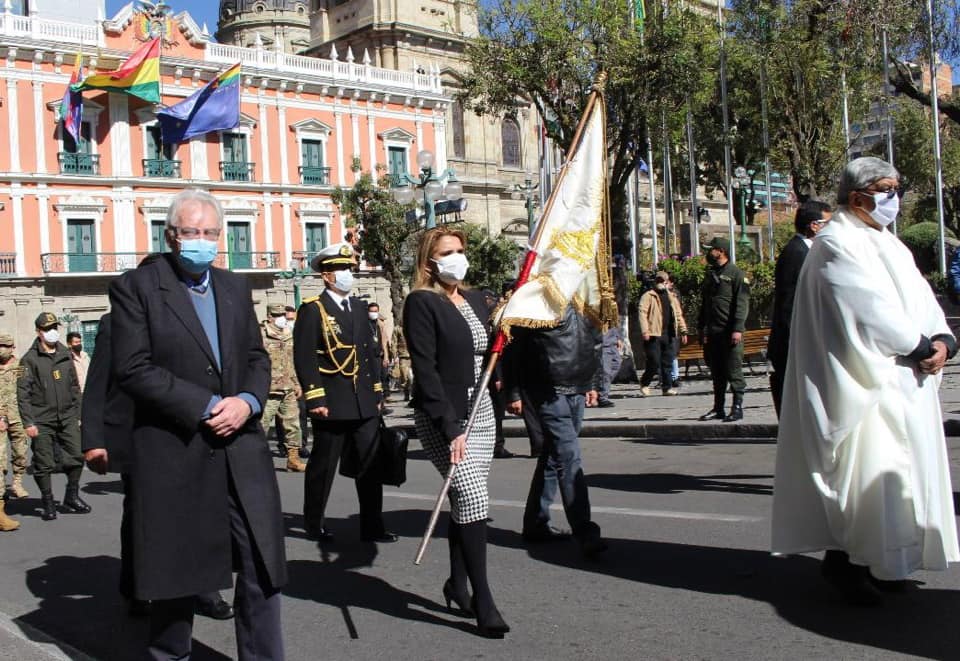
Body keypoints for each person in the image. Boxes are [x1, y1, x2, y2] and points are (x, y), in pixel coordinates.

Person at [772, 156, 959, 606]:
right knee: (866, 478)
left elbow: (921, 298)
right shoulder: (836, 243)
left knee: (903, 479)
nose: (893, 199)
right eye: (886, 189)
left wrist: (942, 339)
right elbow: (864, 307)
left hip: (906, 381)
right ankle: (848, 563)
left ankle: (892, 562)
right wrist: (916, 346)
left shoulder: (889, 244)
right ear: (858, 196)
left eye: (896, 188)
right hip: (865, 385)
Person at [109, 189, 286, 659]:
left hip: (242, 449)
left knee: (261, 567)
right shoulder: (137, 288)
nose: (201, 241)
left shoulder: (233, 287)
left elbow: (255, 356)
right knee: (177, 575)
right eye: (191, 232)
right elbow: (132, 367)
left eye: (209, 233)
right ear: (171, 235)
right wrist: (207, 405)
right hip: (176, 450)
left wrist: (248, 401)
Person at [82, 311, 234, 621]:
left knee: (198, 510)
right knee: (141, 516)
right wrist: (93, 439)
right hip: (135, 432)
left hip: (189, 427)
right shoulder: (115, 323)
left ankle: (203, 589)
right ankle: (138, 588)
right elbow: (98, 381)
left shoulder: (193, 316)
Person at [403, 227, 510, 638]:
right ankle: (484, 599)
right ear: (429, 261)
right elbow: (425, 369)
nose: (457, 257)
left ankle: (457, 584)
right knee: (471, 493)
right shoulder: (421, 302)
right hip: (443, 413)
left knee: (466, 501)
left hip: (481, 408)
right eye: (448, 252)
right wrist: (450, 426)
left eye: (461, 250)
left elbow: (491, 347)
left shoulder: (474, 298)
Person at [293, 242, 394, 544]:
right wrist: (315, 398)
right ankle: (314, 524)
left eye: (350, 269)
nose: (348, 274)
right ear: (326, 276)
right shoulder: (313, 310)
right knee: (323, 467)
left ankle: (372, 526)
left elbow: (371, 353)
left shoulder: (361, 308)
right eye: (341, 270)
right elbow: (305, 357)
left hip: (363, 401)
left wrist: (377, 391)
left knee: (370, 466)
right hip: (332, 401)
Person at [505, 303, 607, 559]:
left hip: (577, 388)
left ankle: (535, 523)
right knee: (569, 457)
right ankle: (585, 532)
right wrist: (514, 391)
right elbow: (514, 349)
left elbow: (592, 341)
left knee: (554, 455)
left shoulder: (584, 298)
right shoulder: (537, 300)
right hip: (548, 391)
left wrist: (592, 383)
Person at [17, 312, 89, 521]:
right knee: (43, 462)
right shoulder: (28, 360)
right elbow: (23, 394)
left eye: (54, 327)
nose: (52, 332)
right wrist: (28, 422)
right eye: (47, 329)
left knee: (77, 455)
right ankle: (48, 502)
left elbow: (75, 387)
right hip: (41, 418)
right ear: (39, 332)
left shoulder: (65, 354)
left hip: (67, 416)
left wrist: (78, 413)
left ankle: (71, 495)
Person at [767, 200, 832, 416]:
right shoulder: (796, 253)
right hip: (793, 340)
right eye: (828, 223)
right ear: (814, 225)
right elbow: (789, 302)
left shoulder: (808, 250)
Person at [697, 237, 750, 422]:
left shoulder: (736, 274)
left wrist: (737, 328)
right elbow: (705, 304)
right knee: (717, 372)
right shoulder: (711, 274)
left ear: (721, 251)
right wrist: (701, 328)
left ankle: (737, 407)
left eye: (711, 249)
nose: (708, 252)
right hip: (713, 332)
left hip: (729, 331)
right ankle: (718, 407)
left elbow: (741, 304)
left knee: (733, 370)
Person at [261, 303, 306, 472]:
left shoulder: (288, 335)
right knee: (261, 426)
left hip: (288, 388)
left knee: (293, 424)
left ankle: (293, 459)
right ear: (269, 316)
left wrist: (296, 383)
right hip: (269, 389)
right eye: (277, 314)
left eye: (283, 314)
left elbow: (291, 361)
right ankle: (253, 460)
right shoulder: (261, 335)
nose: (281, 317)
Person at [638, 271, 688, 397]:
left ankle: (667, 387)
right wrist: (645, 330)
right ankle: (645, 383)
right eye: (658, 281)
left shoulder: (672, 296)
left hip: (669, 333)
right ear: (655, 282)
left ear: (667, 282)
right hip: (653, 333)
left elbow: (678, 314)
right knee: (653, 361)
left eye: (663, 281)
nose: (660, 283)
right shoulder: (648, 296)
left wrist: (683, 330)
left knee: (667, 362)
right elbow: (642, 313)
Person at [0, 333, 29, 499]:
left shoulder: (20, 367)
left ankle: (17, 482)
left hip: (18, 417)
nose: (1, 350)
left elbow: (27, 392)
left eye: (4, 346)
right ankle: (1, 489)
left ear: (12, 348)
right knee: (0, 456)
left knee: (20, 453)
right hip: (0, 419)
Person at [597, 325, 623, 407]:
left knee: (616, 365)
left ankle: (597, 388)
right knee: (606, 372)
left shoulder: (611, 312)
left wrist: (618, 337)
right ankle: (602, 397)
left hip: (613, 343)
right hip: (603, 344)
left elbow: (614, 322)